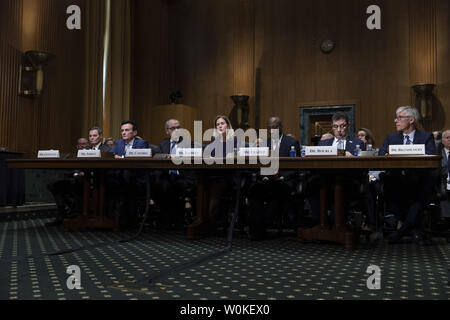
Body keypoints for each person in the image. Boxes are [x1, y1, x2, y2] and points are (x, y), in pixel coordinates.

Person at [379, 106, 436, 245]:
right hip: (397, 179)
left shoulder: (426, 137)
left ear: (411, 120)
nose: (395, 121)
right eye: (396, 118)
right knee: (388, 185)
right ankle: (412, 228)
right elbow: (381, 155)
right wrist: (386, 155)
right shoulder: (391, 137)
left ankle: (402, 229)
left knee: (422, 188)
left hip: (418, 180)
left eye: (399, 118)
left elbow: (431, 159)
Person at [247, 117, 302, 240]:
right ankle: (257, 231)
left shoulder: (291, 142)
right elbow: (259, 165)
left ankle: (267, 222)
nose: (273, 130)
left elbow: (296, 167)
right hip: (266, 180)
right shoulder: (263, 144)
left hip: (284, 181)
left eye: (275, 127)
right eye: (270, 128)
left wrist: (283, 177)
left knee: (277, 191)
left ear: (281, 127)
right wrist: (264, 176)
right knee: (255, 190)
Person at [307, 112, 366, 226]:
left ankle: (334, 223)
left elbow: (360, 167)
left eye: (342, 126)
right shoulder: (323, 143)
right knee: (311, 183)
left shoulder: (357, 143)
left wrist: (352, 158)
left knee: (336, 216)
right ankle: (318, 220)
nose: (339, 129)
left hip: (347, 181)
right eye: (335, 126)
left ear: (348, 126)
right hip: (325, 179)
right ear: (332, 127)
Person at [151, 119, 197, 229]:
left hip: (183, 176)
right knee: (162, 185)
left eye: (178, 128)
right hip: (166, 176)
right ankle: (165, 220)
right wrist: (166, 156)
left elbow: (194, 158)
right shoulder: (163, 144)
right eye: (173, 128)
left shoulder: (189, 144)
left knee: (178, 185)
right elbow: (156, 156)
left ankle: (178, 220)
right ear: (167, 131)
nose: (176, 130)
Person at [46, 136, 93, 226]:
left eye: (85, 144)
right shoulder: (72, 156)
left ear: (88, 145)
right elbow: (68, 170)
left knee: (77, 186)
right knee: (54, 186)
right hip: (74, 179)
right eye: (80, 144)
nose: (82, 146)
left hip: (89, 182)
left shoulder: (92, 154)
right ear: (77, 147)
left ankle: (74, 211)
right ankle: (63, 213)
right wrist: (76, 173)